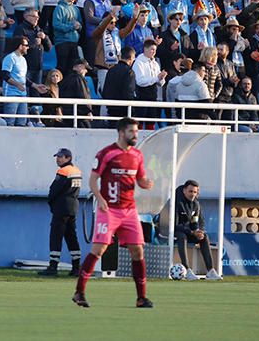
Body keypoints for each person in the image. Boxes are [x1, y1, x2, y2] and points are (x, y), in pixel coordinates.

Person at [73, 118, 154, 309]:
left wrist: (146, 183)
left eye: (136, 131)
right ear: (121, 132)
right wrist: (100, 199)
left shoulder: (137, 155)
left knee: (138, 250)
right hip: (109, 210)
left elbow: (140, 179)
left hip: (129, 210)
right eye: (132, 131)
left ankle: (141, 297)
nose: (135, 135)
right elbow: (93, 180)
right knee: (99, 249)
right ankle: (79, 292)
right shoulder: (106, 154)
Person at [38, 148, 83, 277]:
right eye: (57, 156)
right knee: (71, 237)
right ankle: (76, 267)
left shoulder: (63, 171)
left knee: (56, 236)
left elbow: (54, 190)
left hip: (61, 208)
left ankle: (53, 267)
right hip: (73, 207)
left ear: (68, 158)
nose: (58, 159)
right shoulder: (77, 171)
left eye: (61, 157)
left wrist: (51, 202)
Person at [172, 180, 219, 280]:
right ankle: (187, 270)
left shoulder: (196, 204)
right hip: (174, 231)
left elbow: (196, 222)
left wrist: (198, 231)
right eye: (190, 191)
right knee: (182, 235)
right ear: (184, 191)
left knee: (204, 236)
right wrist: (191, 232)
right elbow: (174, 225)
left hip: (189, 231)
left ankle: (210, 271)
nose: (193, 194)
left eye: (195, 192)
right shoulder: (176, 202)